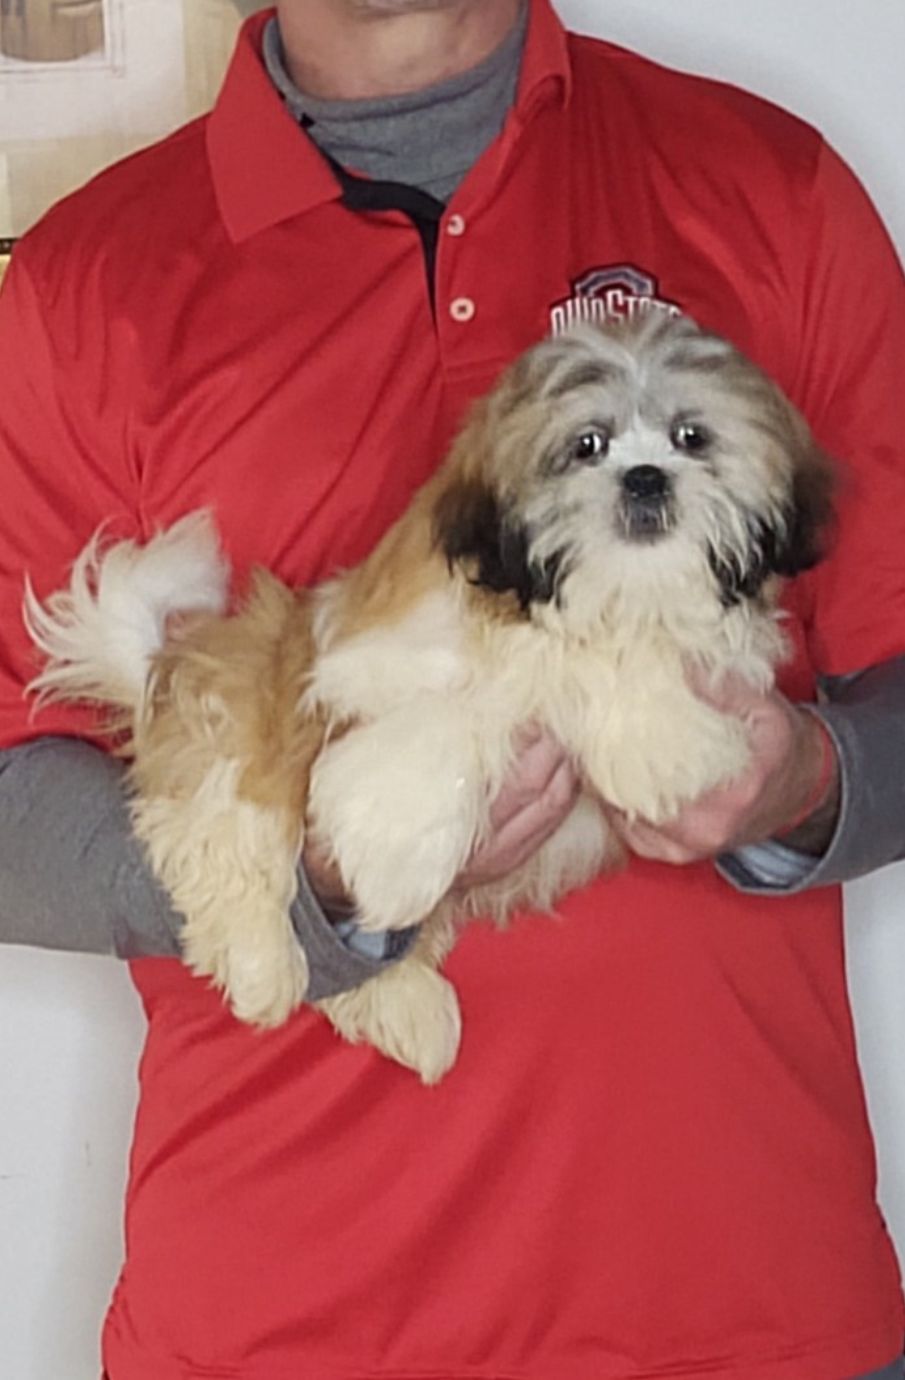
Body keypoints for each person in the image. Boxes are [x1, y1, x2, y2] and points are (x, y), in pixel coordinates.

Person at [1, 1, 904, 1376]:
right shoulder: (86, 279)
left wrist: (806, 785)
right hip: (276, 1326)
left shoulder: (769, 187)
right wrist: (299, 889)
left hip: (747, 1312)